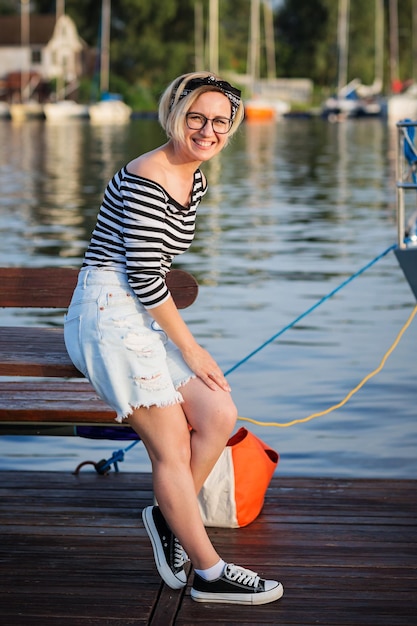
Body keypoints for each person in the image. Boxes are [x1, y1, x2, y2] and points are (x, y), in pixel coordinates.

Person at [64, 71, 283, 605]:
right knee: (172, 446)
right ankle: (208, 572)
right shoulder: (147, 176)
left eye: (220, 122)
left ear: (230, 130)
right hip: (107, 313)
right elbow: (142, 275)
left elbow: (155, 271)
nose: (207, 130)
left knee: (217, 414)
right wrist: (191, 346)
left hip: (138, 313)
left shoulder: (196, 178)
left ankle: (168, 516)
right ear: (175, 116)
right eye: (196, 118)